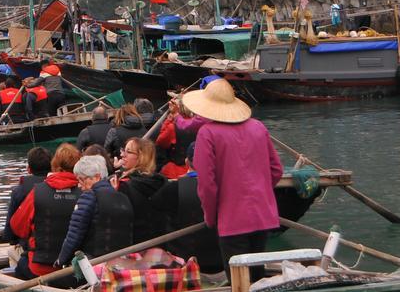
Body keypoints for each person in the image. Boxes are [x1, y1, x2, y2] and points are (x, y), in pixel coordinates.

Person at [183, 78, 283, 280]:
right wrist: (261, 193)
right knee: (258, 277)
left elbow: (207, 185)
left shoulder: (207, 133)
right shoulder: (258, 127)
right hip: (262, 215)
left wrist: (211, 216)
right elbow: (276, 170)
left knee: (239, 281)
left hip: (232, 219)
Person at [9, 144, 82, 280]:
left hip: (40, 269)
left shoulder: (37, 192)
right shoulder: (85, 194)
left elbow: (18, 228)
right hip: (75, 271)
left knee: (19, 266)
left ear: (54, 164)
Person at [55, 155, 134, 268]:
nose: (79, 185)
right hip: (121, 263)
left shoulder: (89, 197)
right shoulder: (123, 197)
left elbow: (73, 236)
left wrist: (60, 261)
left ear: (96, 177)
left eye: (82, 179)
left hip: (94, 264)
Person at [112, 137, 176, 243]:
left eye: (129, 152)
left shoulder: (124, 185)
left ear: (141, 157)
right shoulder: (162, 181)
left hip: (133, 244)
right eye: (123, 150)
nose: (122, 155)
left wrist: (114, 195)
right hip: (159, 242)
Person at [2, 146, 53, 245]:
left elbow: (10, 230)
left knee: (12, 254)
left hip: (29, 246)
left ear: (29, 169)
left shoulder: (19, 191)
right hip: (56, 244)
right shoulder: (59, 188)